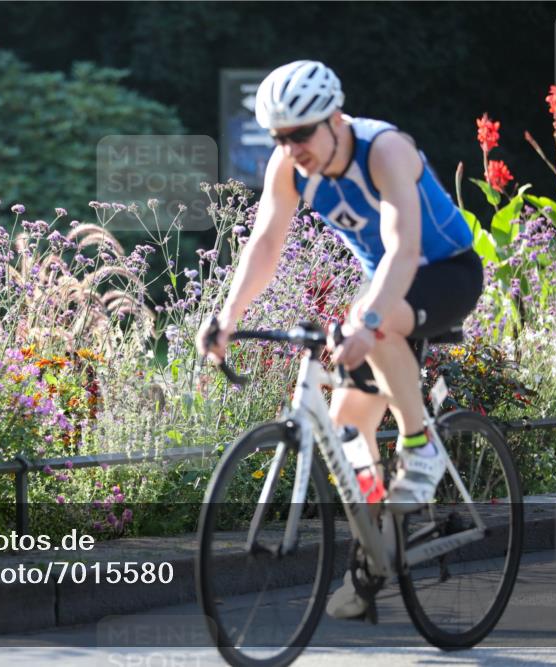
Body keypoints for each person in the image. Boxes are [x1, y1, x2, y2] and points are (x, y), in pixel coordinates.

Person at [195, 60, 483, 620]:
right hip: (386, 286)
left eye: (301, 133)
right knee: (348, 434)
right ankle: (376, 556)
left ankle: (422, 448)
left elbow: (403, 248)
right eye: (282, 137)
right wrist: (226, 314)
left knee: (366, 319)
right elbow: (266, 244)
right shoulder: (290, 166)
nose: (293, 147)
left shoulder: (385, 149)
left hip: (446, 271)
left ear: (334, 118)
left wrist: (370, 323)